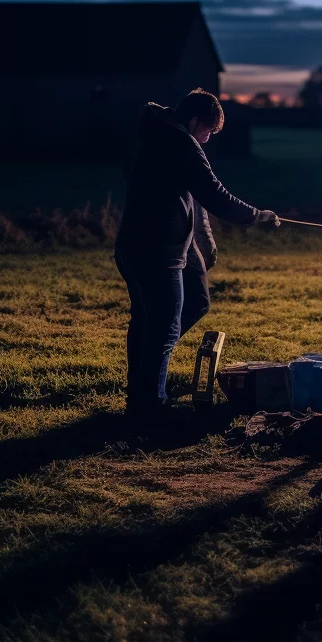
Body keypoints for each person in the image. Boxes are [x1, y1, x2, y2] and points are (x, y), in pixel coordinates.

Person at [116, 89, 279, 424]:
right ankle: (150, 408)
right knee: (160, 328)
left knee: (173, 313)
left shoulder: (156, 135)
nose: (207, 139)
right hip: (157, 251)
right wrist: (256, 216)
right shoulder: (180, 143)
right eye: (208, 131)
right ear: (194, 121)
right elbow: (215, 193)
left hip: (141, 245)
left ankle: (142, 393)